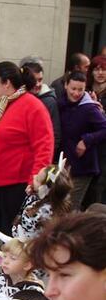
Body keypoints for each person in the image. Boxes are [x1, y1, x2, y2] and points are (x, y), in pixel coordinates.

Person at [0, 61, 54, 263]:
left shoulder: (32, 106)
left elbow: (44, 146)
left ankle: (12, 281)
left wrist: (36, 180)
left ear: (7, 83)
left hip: (14, 185)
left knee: (12, 238)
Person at [58, 71, 106, 210]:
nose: (76, 93)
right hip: (64, 164)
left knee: (70, 207)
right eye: (73, 89)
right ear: (66, 85)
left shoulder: (89, 108)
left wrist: (86, 140)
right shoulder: (60, 104)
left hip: (83, 166)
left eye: (81, 89)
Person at [12, 157, 72, 240]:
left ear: (43, 189)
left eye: (37, 179)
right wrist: (33, 194)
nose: (34, 176)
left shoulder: (39, 211)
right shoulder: (58, 204)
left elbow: (24, 234)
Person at [20, 58, 61, 162]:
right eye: (34, 80)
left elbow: (54, 136)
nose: (37, 84)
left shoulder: (49, 101)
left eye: (40, 80)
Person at [86, 55, 106, 204]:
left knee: (99, 186)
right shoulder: (84, 90)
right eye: (97, 69)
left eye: (103, 70)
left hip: (103, 148)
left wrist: (102, 113)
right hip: (86, 145)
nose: (100, 73)